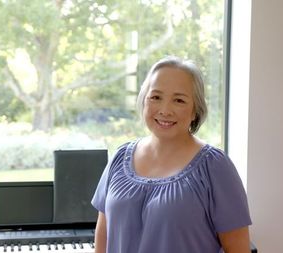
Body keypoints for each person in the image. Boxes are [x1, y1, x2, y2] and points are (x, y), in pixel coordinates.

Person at [91, 56, 252, 253]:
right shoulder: (120, 158)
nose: (165, 110)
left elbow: (238, 250)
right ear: (144, 101)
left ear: (195, 110)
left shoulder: (216, 167)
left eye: (179, 100)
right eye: (156, 97)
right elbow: (103, 235)